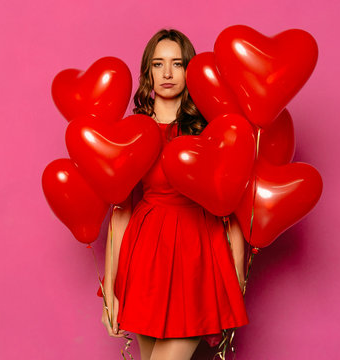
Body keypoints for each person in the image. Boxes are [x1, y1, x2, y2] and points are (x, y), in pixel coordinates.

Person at [101, 29, 249, 360]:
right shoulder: (134, 131)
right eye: (158, 64)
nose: (167, 74)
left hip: (195, 258)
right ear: (147, 71)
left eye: (177, 64)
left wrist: (235, 273)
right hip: (145, 259)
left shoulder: (210, 128)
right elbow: (120, 213)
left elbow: (233, 206)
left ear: (190, 70)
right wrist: (110, 292)